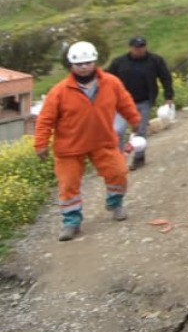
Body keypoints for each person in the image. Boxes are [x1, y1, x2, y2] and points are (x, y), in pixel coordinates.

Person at [34, 41, 142, 241]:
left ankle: (115, 202)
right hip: (69, 148)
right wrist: (40, 143)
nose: (83, 67)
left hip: (102, 141)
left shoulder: (111, 83)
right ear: (71, 66)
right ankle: (71, 222)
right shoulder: (59, 91)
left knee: (118, 172)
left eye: (88, 63)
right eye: (79, 64)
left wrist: (135, 120)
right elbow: (45, 119)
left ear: (95, 62)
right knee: (68, 185)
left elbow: (125, 102)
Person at [108, 35, 174, 171]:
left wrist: (168, 96)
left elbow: (165, 78)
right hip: (121, 104)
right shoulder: (119, 62)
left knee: (140, 131)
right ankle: (119, 159)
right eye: (136, 47)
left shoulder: (155, 60)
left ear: (146, 46)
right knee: (117, 130)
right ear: (130, 48)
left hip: (144, 101)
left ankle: (139, 158)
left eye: (142, 46)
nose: (139, 50)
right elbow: (106, 79)